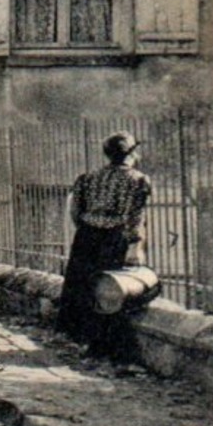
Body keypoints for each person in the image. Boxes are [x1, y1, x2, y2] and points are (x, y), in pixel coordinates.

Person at [57, 132, 152, 356]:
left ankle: (85, 340)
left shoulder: (87, 178)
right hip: (114, 237)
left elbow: (75, 212)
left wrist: (89, 228)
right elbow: (135, 217)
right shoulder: (138, 180)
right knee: (112, 290)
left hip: (86, 237)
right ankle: (106, 345)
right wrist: (135, 246)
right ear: (130, 154)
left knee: (84, 286)